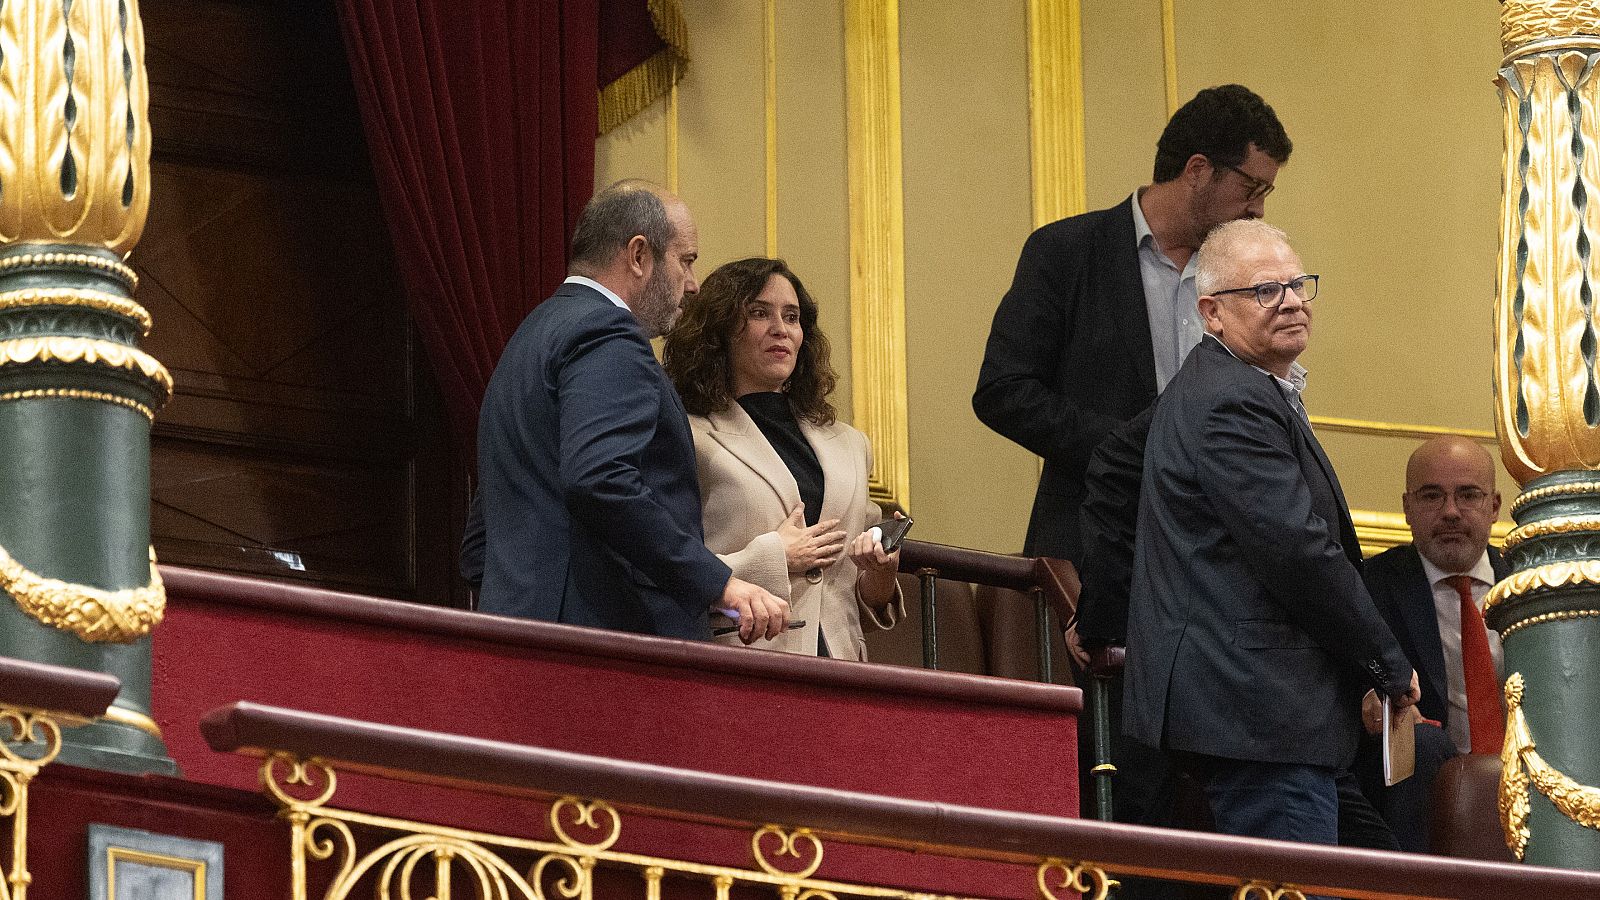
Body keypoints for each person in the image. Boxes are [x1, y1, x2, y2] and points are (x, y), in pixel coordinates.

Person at [1123, 219, 1420, 846]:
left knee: (1379, 872)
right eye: (1265, 291)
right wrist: (1386, 664)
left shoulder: (1241, 388)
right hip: (1259, 712)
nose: (1290, 301)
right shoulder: (1230, 399)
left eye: (1298, 285)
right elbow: (1299, 553)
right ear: (1212, 314)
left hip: (1279, 716)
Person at [973, 84, 1291, 566]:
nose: (1258, 210)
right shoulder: (1066, 252)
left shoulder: (1245, 275)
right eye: (1251, 189)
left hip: (1222, 558)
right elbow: (1004, 391)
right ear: (1198, 171)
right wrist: (1135, 449)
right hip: (1096, 548)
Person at [475, 180, 789, 643]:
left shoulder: (529, 336)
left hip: (515, 630)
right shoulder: (610, 336)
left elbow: (480, 534)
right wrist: (718, 583)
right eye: (686, 261)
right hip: (599, 647)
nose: (693, 284)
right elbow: (601, 479)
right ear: (639, 255)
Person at [662, 257, 904, 660]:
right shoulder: (689, 435)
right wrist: (774, 556)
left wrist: (881, 571)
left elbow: (855, 590)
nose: (781, 329)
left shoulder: (851, 445)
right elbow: (663, 563)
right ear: (719, 331)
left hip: (842, 666)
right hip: (743, 658)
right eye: (759, 313)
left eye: (791, 317)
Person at [1358, 435, 1508, 852]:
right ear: (1407, 509)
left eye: (1468, 495)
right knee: (1420, 744)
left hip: (1528, 767)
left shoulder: (1532, 582)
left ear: (1494, 506)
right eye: (1432, 497)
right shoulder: (1371, 586)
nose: (1450, 513)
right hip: (1422, 773)